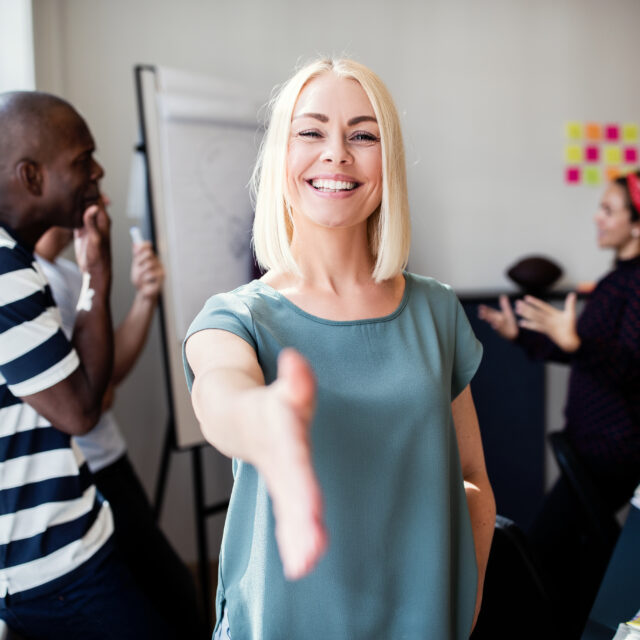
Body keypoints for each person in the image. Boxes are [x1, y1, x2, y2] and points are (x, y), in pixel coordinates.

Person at [183, 58, 496, 640]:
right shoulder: (236, 317)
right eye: (311, 131)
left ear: (389, 162)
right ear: (281, 157)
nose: (336, 153)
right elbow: (222, 394)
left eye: (363, 134)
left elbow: (472, 477)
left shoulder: (436, 311)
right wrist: (267, 422)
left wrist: (464, 598)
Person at [0, 91, 183, 639]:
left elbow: (81, 381)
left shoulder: (20, 264)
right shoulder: (6, 274)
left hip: (63, 546)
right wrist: (97, 280)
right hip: (55, 562)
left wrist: (97, 277)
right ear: (32, 177)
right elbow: (81, 408)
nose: (98, 171)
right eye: (82, 160)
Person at [478, 171, 640, 632]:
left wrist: (575, 344)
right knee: (568, 559)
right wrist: (526, 339)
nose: (597, 217)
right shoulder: (619, 279)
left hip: (610, 451)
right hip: (589, 448)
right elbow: (585, 355)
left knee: (541, 557)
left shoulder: (637, 283)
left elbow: (630, 366)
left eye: (609, 209)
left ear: (637, 225)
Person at [34, 219, 208, 639]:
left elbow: (108, 371)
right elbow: (98, 395)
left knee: (172, 596)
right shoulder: (37, 281)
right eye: (86, 174)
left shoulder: (68, 272)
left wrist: (145, 299)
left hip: (108, 460)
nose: (103, 197)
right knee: (172, 602)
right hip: (87, 474)